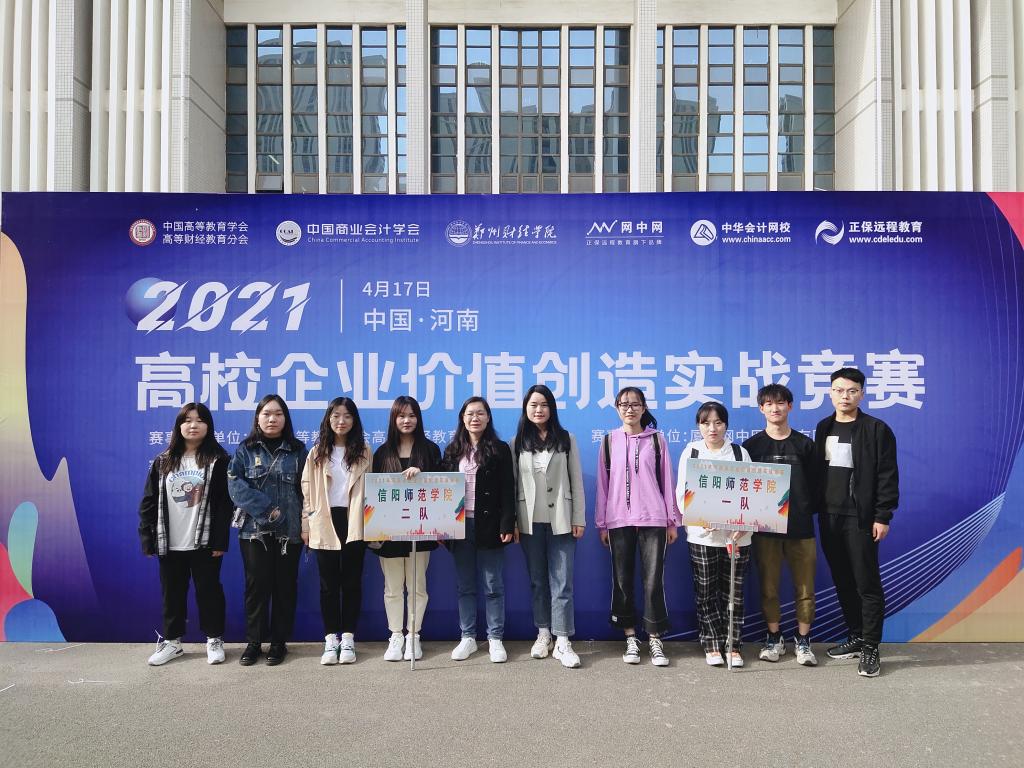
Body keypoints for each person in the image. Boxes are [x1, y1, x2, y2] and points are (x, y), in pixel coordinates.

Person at [814, 367, 898, 677]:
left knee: (866, 583)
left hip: (860, 519)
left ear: (862, 394)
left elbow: (887, 475)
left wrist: (882, 515)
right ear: (830, 393)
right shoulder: (824, 427)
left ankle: (871, 647)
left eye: (851, 391)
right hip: (829, 517)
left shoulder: (877, 429)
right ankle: (857, 635)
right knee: (843, 580)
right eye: (838, 390)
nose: (845, 396)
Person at [138, 403, 233, 666]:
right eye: (187, 420)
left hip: (204, 542)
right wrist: (147, 538)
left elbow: (225, 504)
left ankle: (214, 639)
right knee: (172, 594)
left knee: (209, 592)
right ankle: (172, 642)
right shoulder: (163, 461)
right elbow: (148, 501)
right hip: (169, 541)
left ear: (208, 426)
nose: (193, 425)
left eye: (200, 420)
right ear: (179, 426)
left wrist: (220, 540)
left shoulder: (219, 460)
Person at [596, 386, 679, 667]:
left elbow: (667, 481)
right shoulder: (609, 441)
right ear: (617, 408)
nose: (629, 409)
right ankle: (630, 637)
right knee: (622, 580)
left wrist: (672, 521)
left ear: (644, 408)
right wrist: (602, 524)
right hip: (618, 520)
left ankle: (654, 638)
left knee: (653, 581)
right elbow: (603, 486)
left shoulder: (657, 440)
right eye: (624, 404)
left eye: (635, 404)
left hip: (654, 519)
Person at [227, 394, 307, 666]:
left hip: (290, 532)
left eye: (278, 414)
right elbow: (235, 485)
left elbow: (306, 489)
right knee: (256, 587)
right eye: (266, 414)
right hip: (253, 533)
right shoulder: (245, 450)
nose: (272, 419)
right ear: (257, 418)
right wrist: (267, 510)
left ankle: (278, 642)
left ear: (286, 418)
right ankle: (253, 643)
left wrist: (306, 523)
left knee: (285, 587)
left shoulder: (298, 450)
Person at [742, 384, 818, 666]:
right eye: (769, 404)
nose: (775, 408)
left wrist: (803, 510)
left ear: (790, 406)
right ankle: (774, 637)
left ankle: (803, 640)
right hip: (765, 530)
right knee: (769, 587)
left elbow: (816, 486)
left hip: (801, 528)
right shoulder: (751, 447)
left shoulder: (805, 445)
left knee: (805, 589)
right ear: (761, 408)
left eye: (781, 403)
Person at [511, 384, 586, 669]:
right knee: (538, 581)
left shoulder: (566, 439)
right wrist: (514, 523)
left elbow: (576, 481)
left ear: (551, 408)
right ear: (525, 409)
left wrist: (578, 518)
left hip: (562, 521)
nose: (538, 410)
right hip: (529, 522)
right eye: (533, 405)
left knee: (562, 582)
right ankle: (544, 634)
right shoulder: (517, 442)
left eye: (543, 405)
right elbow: (513, 485)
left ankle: (563, 639)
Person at [678, 402, 753, 668]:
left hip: (737, 537)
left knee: (734, 594)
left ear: (726, 425)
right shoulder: (692, 451)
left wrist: (745, 524)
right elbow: (682, 494)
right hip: (702, 536)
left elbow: (752, 494)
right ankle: (711, 643)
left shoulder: (739, 453)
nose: (712, 428)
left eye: (718, 422)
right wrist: (700, 517)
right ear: (698, 426)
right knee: (706, 592)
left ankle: (733, 645)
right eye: (706, 423)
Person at [443, 397, 515, 663]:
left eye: (480, 413)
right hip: (459, 526)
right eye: (470, 413)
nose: (475, 418)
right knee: (465, 586)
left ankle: (495, 638)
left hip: (490, 526)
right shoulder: (452, 450)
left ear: (488, 418)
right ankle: (468, 637)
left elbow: (508, 488)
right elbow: (441, 490)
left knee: (493, 584)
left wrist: (507, 523)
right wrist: (442, 528)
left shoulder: (499, 449)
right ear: (462, 418)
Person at [370, 396, 442, 662]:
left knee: (417, 587)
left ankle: (413, 636)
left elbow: (442, 488)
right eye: (401, 416)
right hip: (389, 534)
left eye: (412, 415)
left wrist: (423, 475)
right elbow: (374, 494)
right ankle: (396, 636)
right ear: (393, 419)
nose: (407, 420)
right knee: (392, 588)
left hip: (420, 531)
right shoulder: (382, 452)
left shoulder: (430, 450)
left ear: (418, 419)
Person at [302, 397, 371, 665]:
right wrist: (306, 525)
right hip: (324, 520)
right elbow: (307, 491)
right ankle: (331, 639)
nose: (341, 421)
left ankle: (349, 638)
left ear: (354, 420)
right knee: (328, 586)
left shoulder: (364, 451)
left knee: (352, 583)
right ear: (328, 419)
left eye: (347, 416)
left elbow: (373, 489)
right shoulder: (317, 452)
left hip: (355, 521)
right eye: (336, 416)